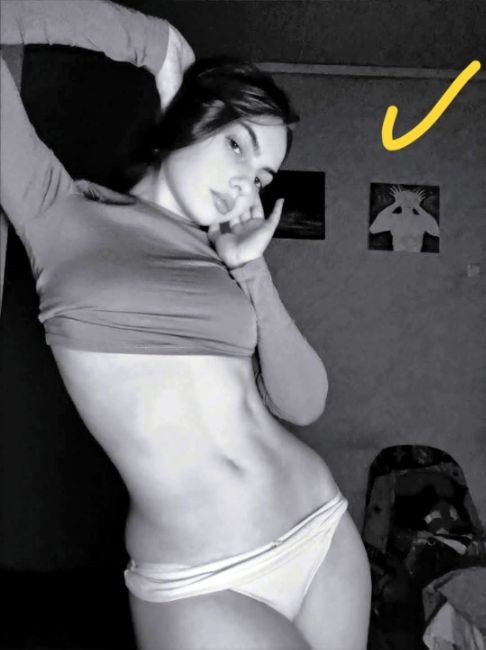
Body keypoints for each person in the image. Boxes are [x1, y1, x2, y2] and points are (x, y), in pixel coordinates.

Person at [0, 1, 371, 648]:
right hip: (200, 579)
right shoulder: (57, 212)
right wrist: (152, 42)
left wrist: (251, 270)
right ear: (188, 117)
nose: (244, 185)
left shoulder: (225, 258)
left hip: (319, 528)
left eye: (261, 176)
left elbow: (304, 402)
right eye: (236, 145)